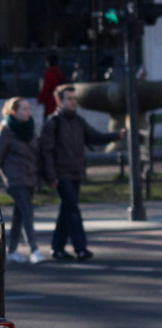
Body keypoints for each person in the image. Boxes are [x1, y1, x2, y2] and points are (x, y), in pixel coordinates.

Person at [39, 85, 125, 262]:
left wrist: (116, 135)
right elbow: (46, 151)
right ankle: (81, 249)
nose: (73, 102)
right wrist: (50, 175)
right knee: (73, 210)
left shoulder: (78, 121)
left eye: (74, 98)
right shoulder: (53, 123)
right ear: (59, 101)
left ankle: (58, 248)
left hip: (76, 172)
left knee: (67, 210)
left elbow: (95, 137)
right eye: (69, 99)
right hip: (61, 174)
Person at [0, 98, 42, 264]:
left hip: (29, 178)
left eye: (28, 108)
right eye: (24, 109)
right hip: (14, 179)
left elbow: (36, 154)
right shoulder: (5, 130)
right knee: (27, 212)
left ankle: (11, 250)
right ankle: (34, 250)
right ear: (14, 112)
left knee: (19, 214)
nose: (28, 112)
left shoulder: (30, 129)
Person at [37, 52, 63, 119]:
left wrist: (40, 99)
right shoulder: (59, 72)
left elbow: (46, 89)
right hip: (59, 103)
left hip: (50, 104)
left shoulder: (49, 73)